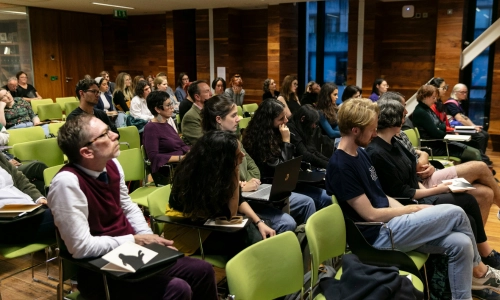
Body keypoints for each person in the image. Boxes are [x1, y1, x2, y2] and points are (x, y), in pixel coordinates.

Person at [326, 98, 500, 300]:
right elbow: (370, 214)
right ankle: (480, 272)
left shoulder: (360, 154)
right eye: (372, 129)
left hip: (392, 224)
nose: (375, 133)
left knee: (461, 243)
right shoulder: (341, 166)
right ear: (355, 130)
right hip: (377, 236)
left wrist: (410, 210)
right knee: (457, 212)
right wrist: (411, 211)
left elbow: (382, 196)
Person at [48, 114, 218, 299]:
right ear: (87, 152)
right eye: (105, 134)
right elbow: (80, 247)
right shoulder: (67, 183)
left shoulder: (111, 164)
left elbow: (127, 206)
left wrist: (150, 238)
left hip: (132, 252)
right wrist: (135, 240)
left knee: (203, 270)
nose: (115, 135)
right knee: (177, 288)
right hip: (101, 270)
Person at [366, 99, 500, 268]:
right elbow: (401, 192)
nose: (406, 116)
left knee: (478, 196)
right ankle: (481, 262)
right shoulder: (377, 152)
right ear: (393, 119)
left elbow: (412, 177)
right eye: (402, 114)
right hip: (410, 202)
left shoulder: (394, 142)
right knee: (468, 202)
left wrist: (434, 188)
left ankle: (480, 259)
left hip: (420, 192)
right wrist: (437, 190)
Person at [383, 91, 500, 226]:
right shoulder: (390, 138)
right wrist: (422, 161)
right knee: (479, 165)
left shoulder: (401, 133)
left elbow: (420, 150)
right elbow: (437, 132)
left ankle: (479, 245)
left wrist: (425, 156)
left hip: (426, 174)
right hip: (421, 182)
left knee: (486, 192)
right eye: (403, 106)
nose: (406, 110)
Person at [201, 94, 304, 233]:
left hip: (246, 198)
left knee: (303, 205)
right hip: (222, 214)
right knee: (286, 222)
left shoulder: (234, 142)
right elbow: (217, 192)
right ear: (218, 119)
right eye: (233, 116)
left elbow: (255, 171)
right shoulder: (211, 149)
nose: (239, 118)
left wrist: (241, 184)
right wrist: (241, 186)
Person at [167, 130, 275, 255]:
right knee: (251, 239)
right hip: (192, 230)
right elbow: (231, 213)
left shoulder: (218, 170)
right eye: (238, 153)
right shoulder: (196, 178)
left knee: (263, 225)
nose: (243, 155)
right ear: (224, 158)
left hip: (212, 221)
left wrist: (259, 222)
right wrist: (235, 172)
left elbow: (239, 200)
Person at [242, 98, 331, 210]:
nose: (286, 121)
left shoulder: (276, 132)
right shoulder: (258, 140)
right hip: (274, 186)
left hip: (288, 183)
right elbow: (282, 169)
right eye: (281, 119)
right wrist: (286, 143)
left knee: (326, 195)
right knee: (311, 202)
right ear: (269, 121)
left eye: (285, 116)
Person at [412, 84, 482, 163]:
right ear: (425, 97)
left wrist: (440, 128)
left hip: (440, 143)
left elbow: (443, 125)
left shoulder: (427, 109)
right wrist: (440, 128)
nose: (435, 100)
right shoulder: (421, 112)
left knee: (474, 146)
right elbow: (437, 134)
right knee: (474, 153)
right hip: (433, 147)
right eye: (433, 97)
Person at [0, 153, 53, 244]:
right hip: (7, 222)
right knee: (70, 215)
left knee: (68, 208)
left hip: (28, 208)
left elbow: (20, 179)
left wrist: (39, 198)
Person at [143, 91, 188, 178]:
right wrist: (181, 158)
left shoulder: (165, 123)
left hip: (180, 166)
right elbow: (153, 156)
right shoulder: (151, 128)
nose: (172, 108)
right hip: (169, 171)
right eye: (168, 105)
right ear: (157, 109)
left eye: (171, 104)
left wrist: (191, 152)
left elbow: (181, 145)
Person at [446, 83, 490, 155]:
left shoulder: (459, 103)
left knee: (485, 134)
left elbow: (464, 117)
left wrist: (474, 126)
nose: (464, 94)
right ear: (455, 92)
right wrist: (473, 127)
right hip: (454, 129)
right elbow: (460, 119)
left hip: (460, 127)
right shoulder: (451, 104)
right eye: (462, 92)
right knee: (480, 136)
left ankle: (481, 156)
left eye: (466, 92)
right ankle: (479, 158)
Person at [288, 105, 329, 169]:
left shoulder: (304, 127)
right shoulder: (291, 129)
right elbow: (305, 155)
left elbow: (313, 151)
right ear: (303, 119)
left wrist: (330, 162)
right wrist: (329, 165)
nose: (314, 126)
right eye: (312, 123)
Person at [181, 80, 212, 146]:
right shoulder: (190, 117)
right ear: (197, 97)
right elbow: (202, 142)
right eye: (207, 91)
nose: (211, 94)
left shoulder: (209, 111)